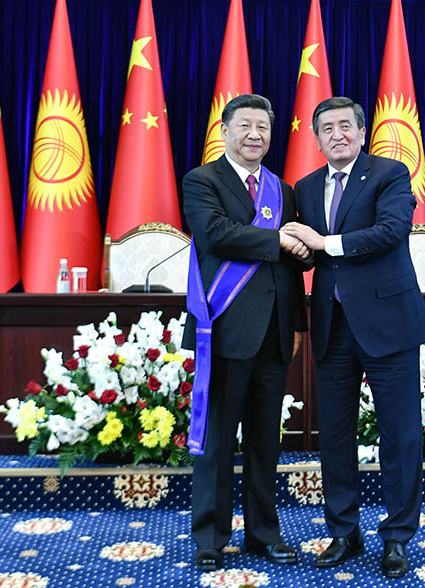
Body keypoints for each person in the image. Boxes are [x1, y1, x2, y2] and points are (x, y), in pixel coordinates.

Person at [282, 96, 425, 579]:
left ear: (362, 132)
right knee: (335, 435)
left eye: (345, 126)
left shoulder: (390, 173)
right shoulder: (305, 187)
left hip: (389, 323)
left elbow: (391, 231)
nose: (337, 135)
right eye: (327, 128)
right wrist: (301, 251)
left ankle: (397, 536)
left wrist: (324, 243)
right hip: (333, 325)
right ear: (317, 138)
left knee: (400, 434)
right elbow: (307, 253)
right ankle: (344, 531)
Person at [182, 93, 309, 572]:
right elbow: (216, 234)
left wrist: (297, 322)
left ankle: (263, 533)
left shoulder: (283, 190)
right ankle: (210, 537)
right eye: (246, 126)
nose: (255, 135)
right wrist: (280, 239)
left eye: (263, 127)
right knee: (218, 442)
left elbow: (292, 267)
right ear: (225, 131)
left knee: (264, 441)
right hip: (225, 330)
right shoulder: (202, 181)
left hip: (274, 334)